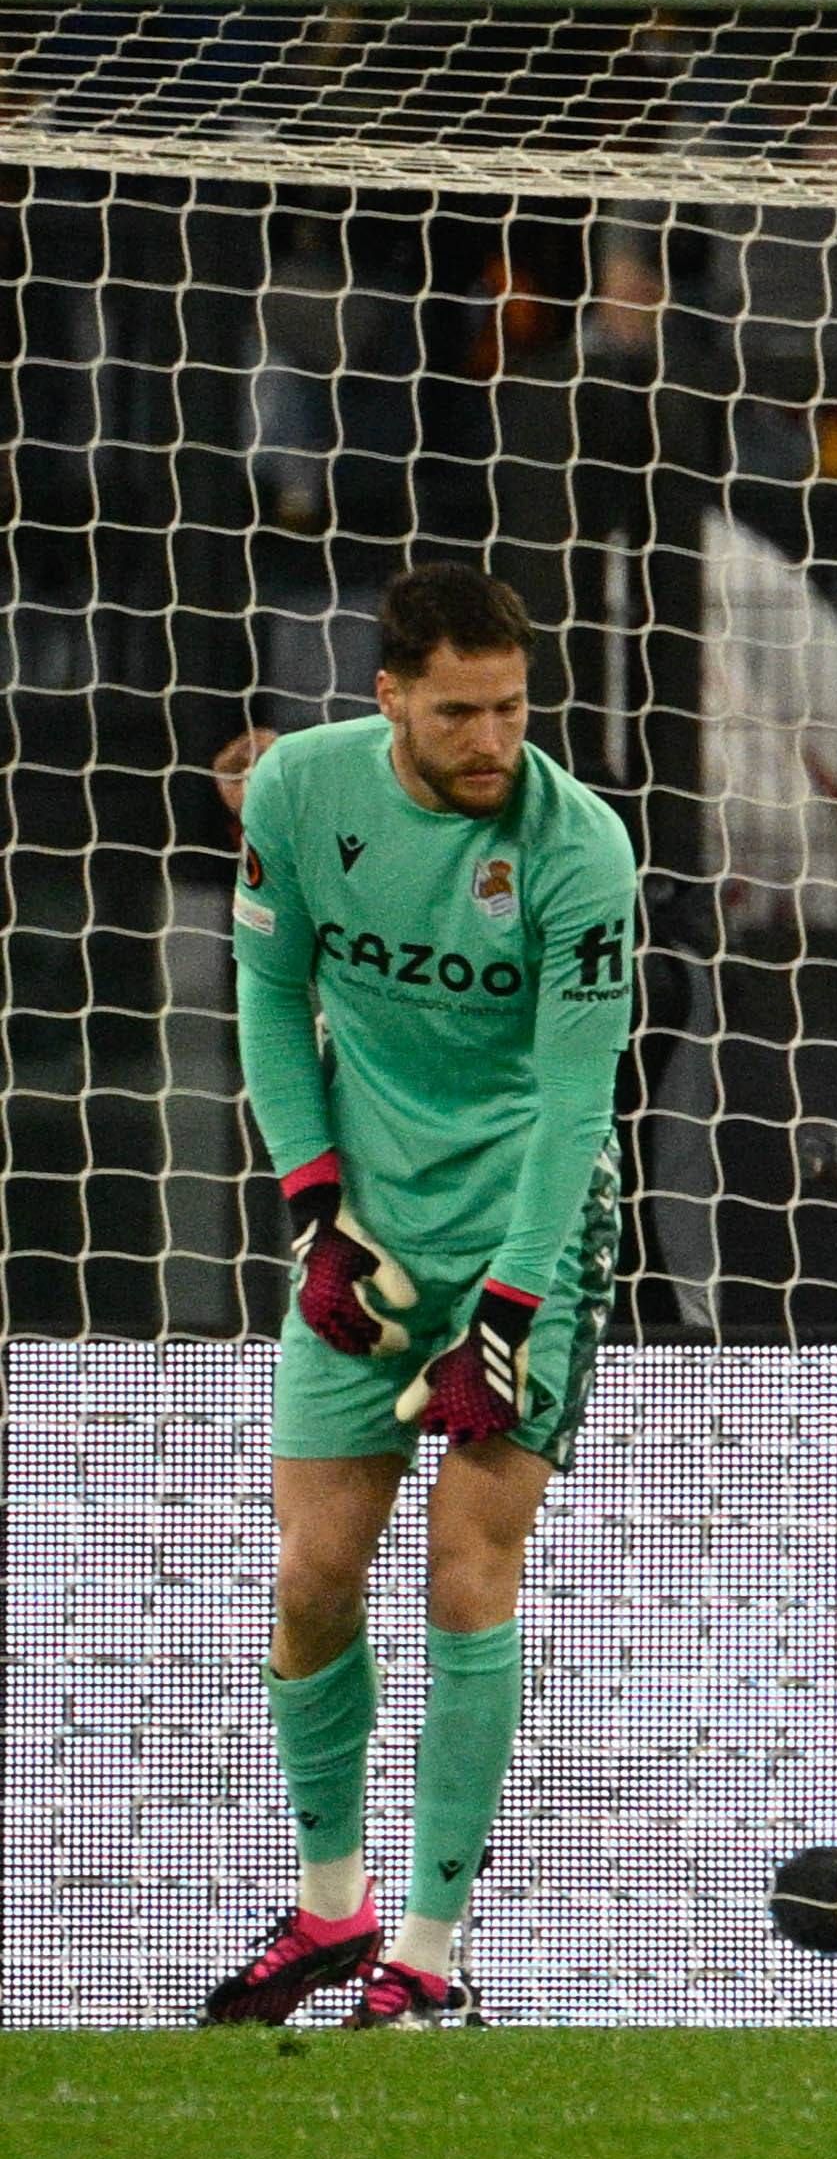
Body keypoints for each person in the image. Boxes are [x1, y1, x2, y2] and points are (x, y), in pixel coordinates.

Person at [202, 563, 641, 2030]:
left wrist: (509, 1309)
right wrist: (316, 1204)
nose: (492, 737)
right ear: (389, 695)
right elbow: (269, 994)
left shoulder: (580, 849)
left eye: (512, 705)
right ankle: (333, 1906)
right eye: (459, 709)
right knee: (313, 1574)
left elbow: (579, 1099)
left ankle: (432, 1945)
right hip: (367, 1227)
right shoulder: (300, 795)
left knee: (470, 1562)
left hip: (529, 1229)